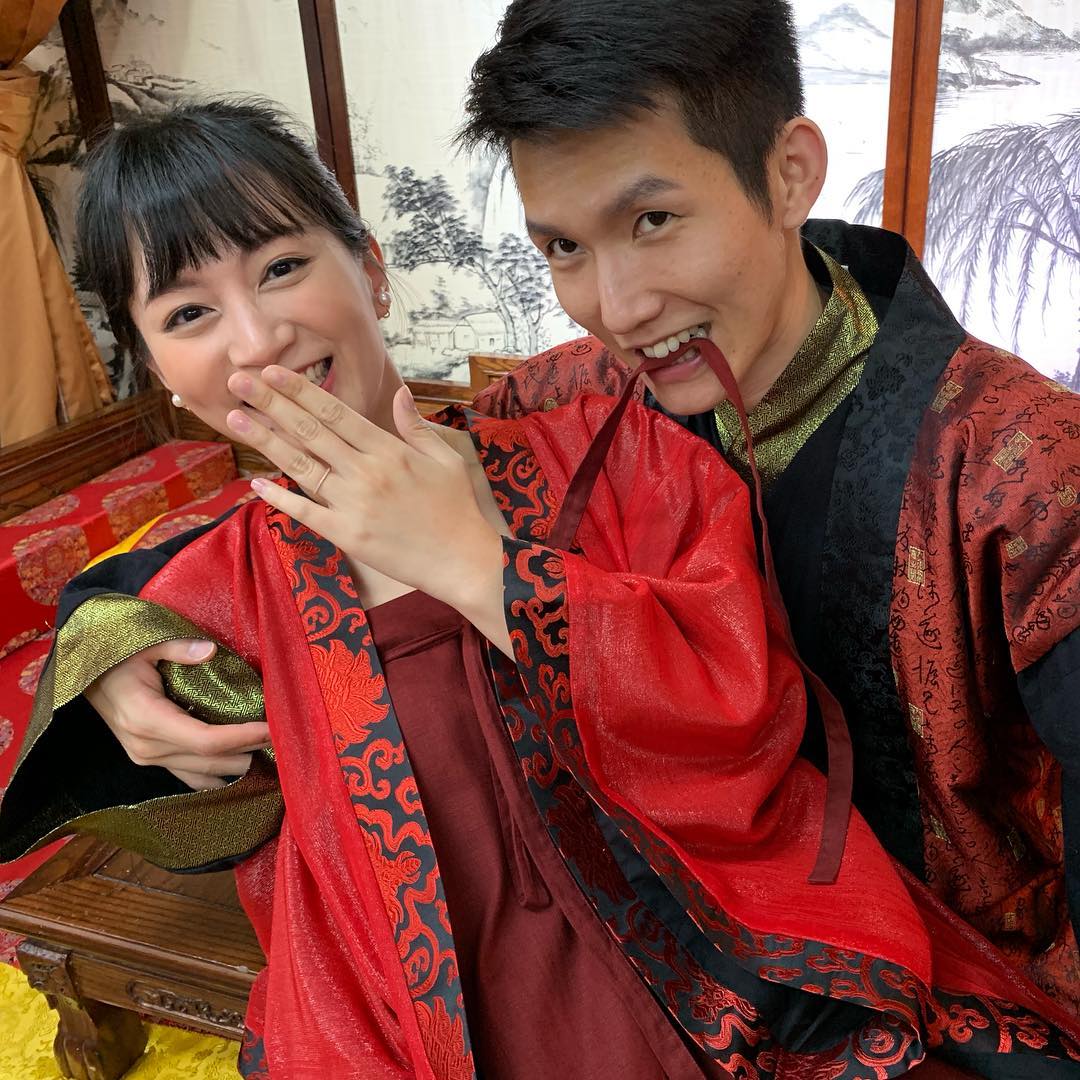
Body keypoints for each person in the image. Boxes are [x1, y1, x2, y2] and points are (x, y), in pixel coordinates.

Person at [2, 99, 1079, 1078]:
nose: (258, 336)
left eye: (282, 267)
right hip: (417, 1021)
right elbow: (171, 761)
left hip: (715, 974)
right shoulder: (214, 580)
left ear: (371, 270)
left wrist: (488, 573)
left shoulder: (602, 448)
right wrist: (99, 655)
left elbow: (742, 716)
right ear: (155, 369)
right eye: (187, 315)